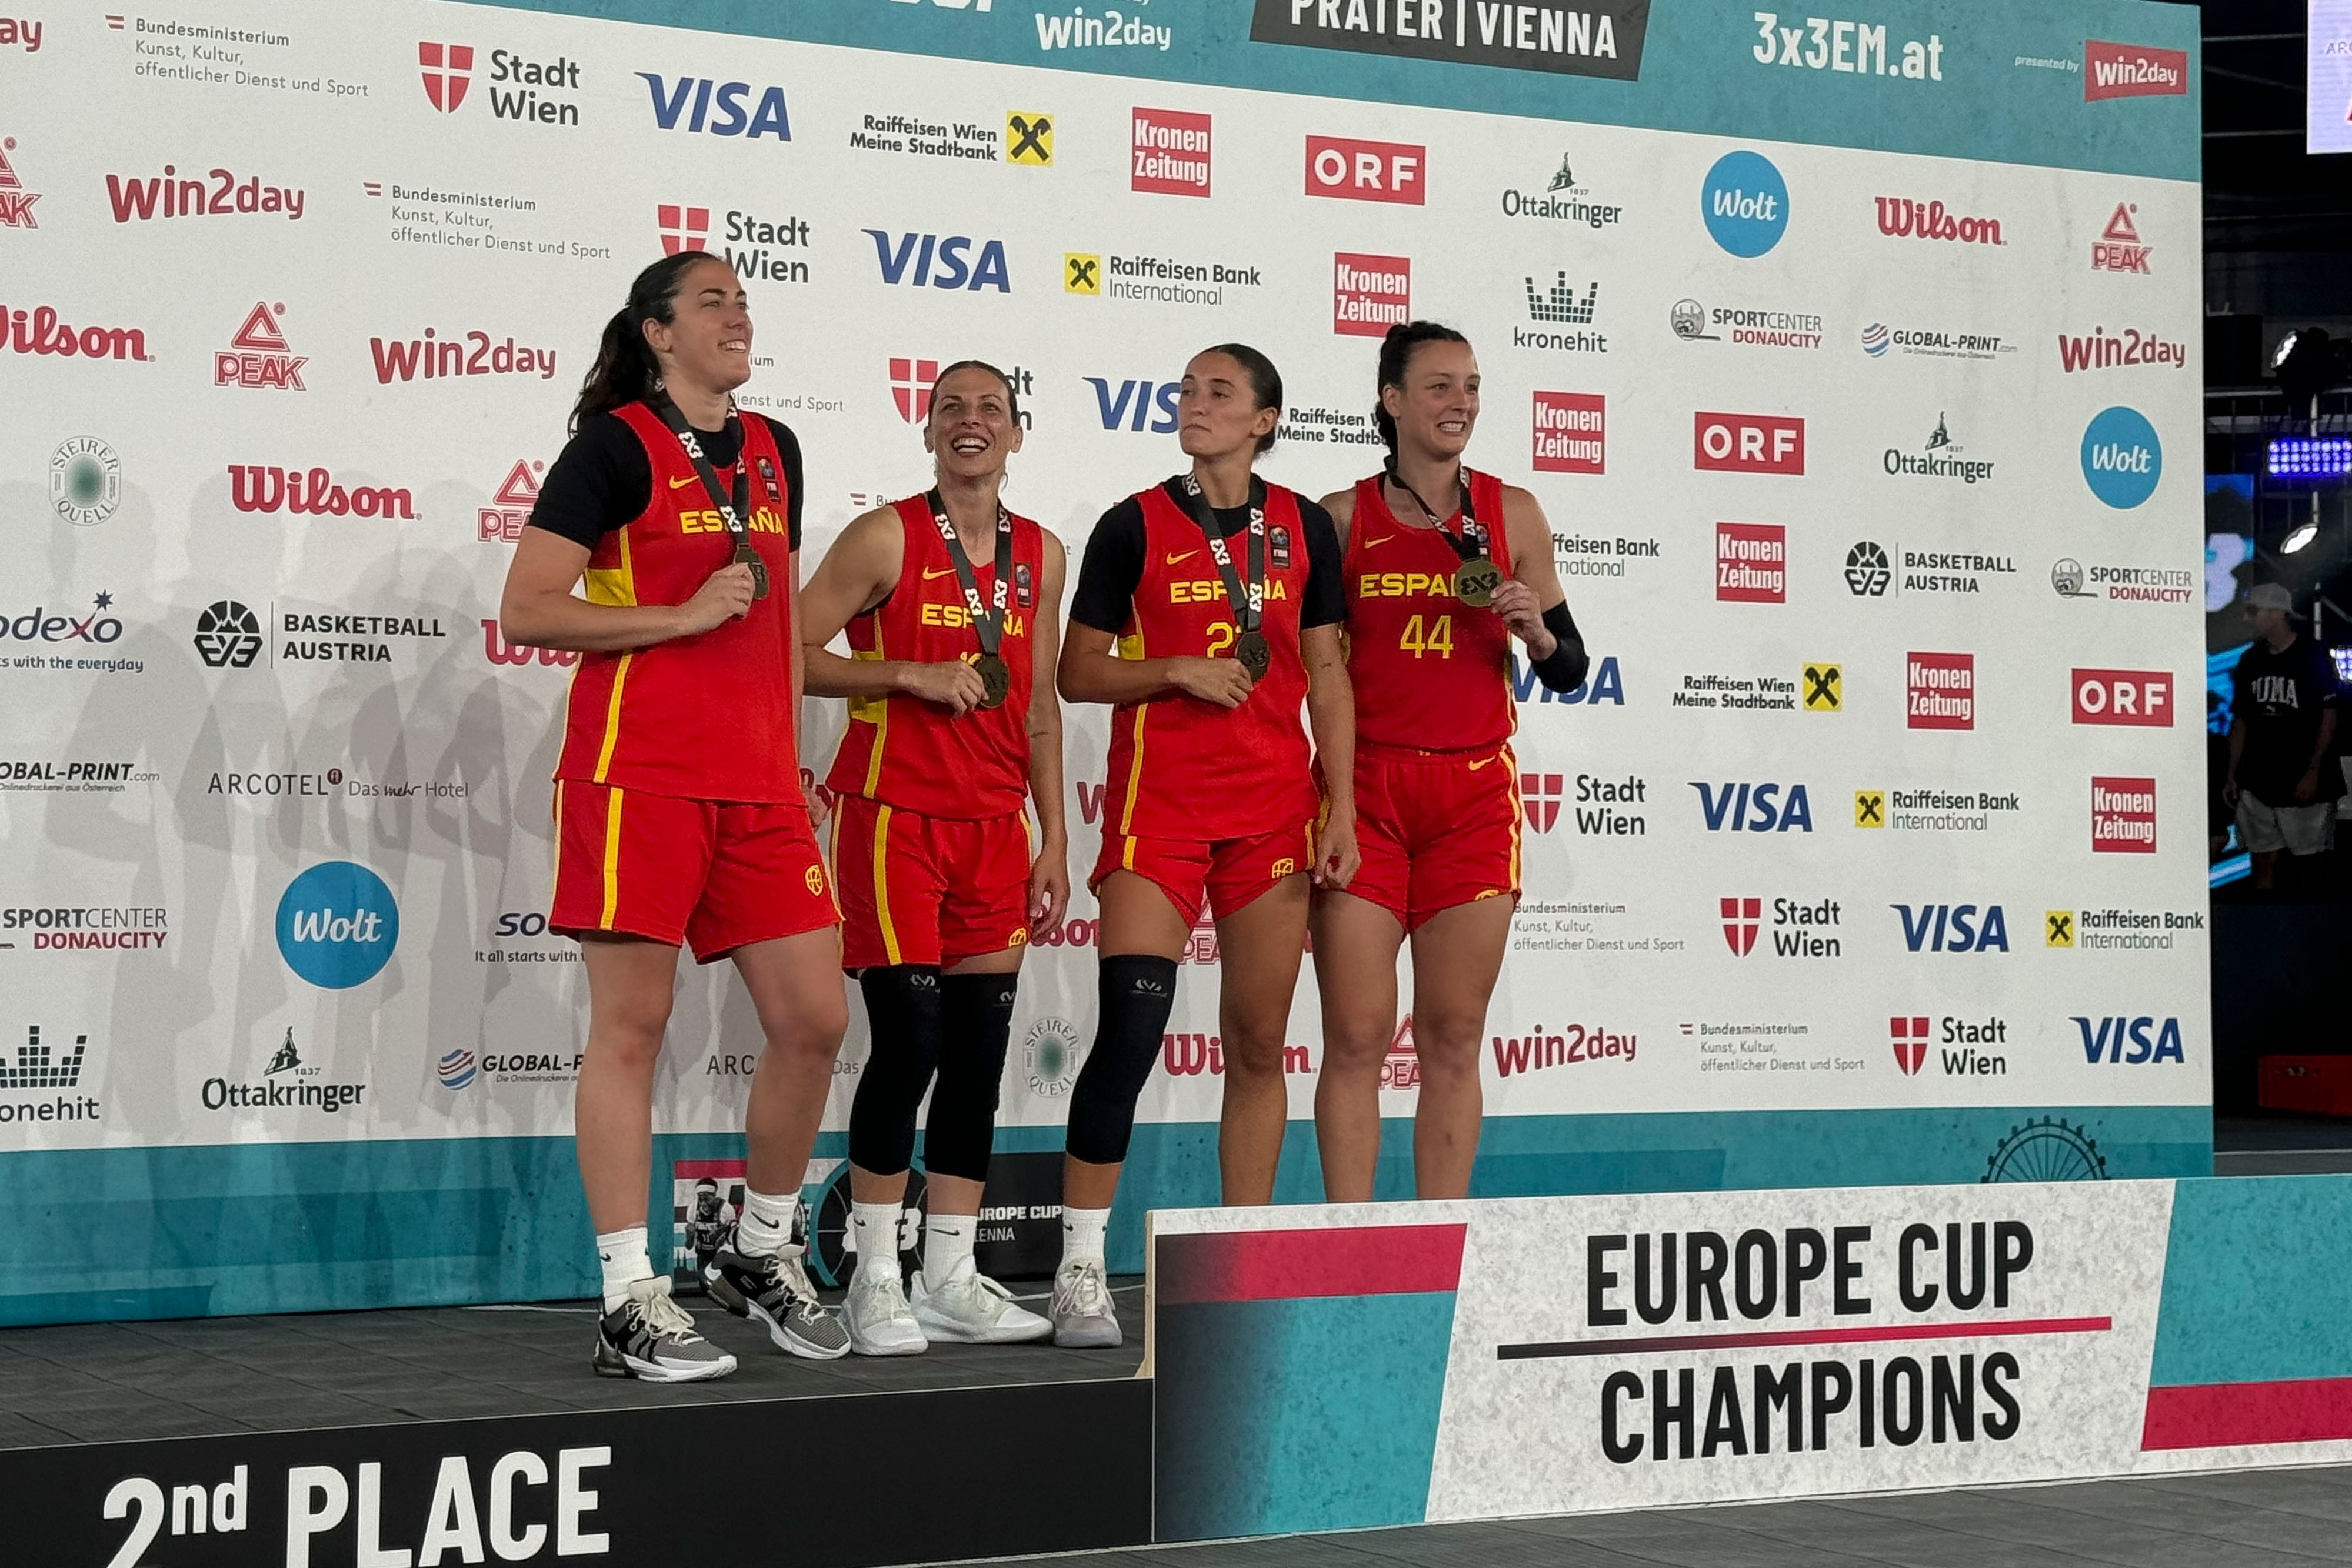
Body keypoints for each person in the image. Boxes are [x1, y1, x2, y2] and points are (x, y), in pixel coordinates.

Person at [499, 251, 850, 1382]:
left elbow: (777, 633)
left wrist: (793, 758)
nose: (737, 315)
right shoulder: (612, 448)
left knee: (813, 1021)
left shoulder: (775, 449)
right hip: (635, 774)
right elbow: (528, 609)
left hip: (756, 784)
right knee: (632, 1032)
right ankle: (626, 1297)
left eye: (743, 300)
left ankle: (756, 1251)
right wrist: (678, 612)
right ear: (656, 333)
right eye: (712, 301)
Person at [1051, 343, 1360, 1347]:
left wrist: (1342, 809)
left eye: (1216, 392)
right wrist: (1174, 668)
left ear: (1265, 419)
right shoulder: (1131, 524)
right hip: (1158, 814)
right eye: (1184, 389)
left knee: (1259, 1044)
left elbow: (1325, 674)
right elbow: (1076, 673)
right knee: (1131, 1037)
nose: (1191, 403)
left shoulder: (1304, 525)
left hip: (1271, 816)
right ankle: (1080, 1271)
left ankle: (1245, 1262)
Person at [799, 361, 1067, 1354]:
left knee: (977, 1059)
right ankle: (874, 1277)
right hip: (890, 820)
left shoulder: (1043, 552)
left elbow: (1038, 705)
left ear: (1015, 433)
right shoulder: (885, 536)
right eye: (950, 407)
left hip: (995, 831)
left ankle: (950, 1274)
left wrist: (1054, 836)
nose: (970, 421)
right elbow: (785, 649)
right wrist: (902, 672)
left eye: (989, 408)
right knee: (908, 1044)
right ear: (925, 430)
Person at [1312, 321, 1587, 1202]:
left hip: (1471, 796)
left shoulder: (1512, 512)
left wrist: (1535, 629)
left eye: (1468, 386)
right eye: (1436, 386)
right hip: (1366, 792)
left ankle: (1438, 1243)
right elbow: (1316, 673)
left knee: (1453, 1034)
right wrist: (1340, 807)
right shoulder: (1341, 518)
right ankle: (1348, 1247)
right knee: (1355, 1034)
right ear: (1391, 400)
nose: (1458, 402)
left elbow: (1571, 665)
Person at [2225, 582, 2342, 890]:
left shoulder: (2311, 656)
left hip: (2301, 777)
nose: (2248, 619)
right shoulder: (2251, 660)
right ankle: (2265, 923)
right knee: (2262, 858)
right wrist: (2232, 774)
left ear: (2277, 614)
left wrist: (2314, 771)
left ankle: (2311, 925)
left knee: (2310, 860)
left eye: (2254, 611)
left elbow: (2328, 716)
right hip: (2257, 779)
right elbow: (2241, 721)